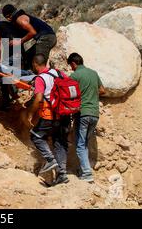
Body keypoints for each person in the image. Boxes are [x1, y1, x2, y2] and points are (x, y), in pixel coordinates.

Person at [28, 54, 71, 186]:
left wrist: (30, 114)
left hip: (49, 115)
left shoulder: (40, 78)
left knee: (35, 136)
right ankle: (62, 174)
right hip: (65, 114)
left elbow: (39, 98)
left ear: (35, 64)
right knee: (59, 142)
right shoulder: (59, 73)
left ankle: (50, 159)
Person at [67, 53, 106, 183]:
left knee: (80, 144)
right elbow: (102, 90)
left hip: (82, 113)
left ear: (73, 64)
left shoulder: (75, 75)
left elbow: (70, 94)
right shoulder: (93, 73)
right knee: (85, 143)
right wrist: (91, 93)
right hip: (95, 113)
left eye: (71, 66)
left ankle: (87, 173)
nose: (72, 69)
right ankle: (84, 169)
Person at [0, 9, 23, 110]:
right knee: (11, 73)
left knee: (2, 76)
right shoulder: (8, 24)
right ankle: (15, 94)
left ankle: (6, 103)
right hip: (20, 51)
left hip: (11, 54)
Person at [2, 4, 56, 69]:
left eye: (7, 17)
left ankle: (42, 76)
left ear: (10, 15)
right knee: (28, 57)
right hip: (46, 37)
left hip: (46, 37)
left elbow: (33, 32)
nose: (8, 19)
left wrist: (19, 41)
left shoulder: (20, 19)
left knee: (39, 61)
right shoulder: (20, 18)